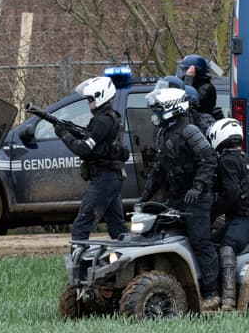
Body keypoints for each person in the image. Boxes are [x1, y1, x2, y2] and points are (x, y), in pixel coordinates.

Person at [139, 87, 220, 311]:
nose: (154, 115)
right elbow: (159, 169)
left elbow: (209, 159)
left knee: (200, 240)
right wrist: (145, 196)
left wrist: (198, 186)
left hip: (198, 198)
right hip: (177, 197)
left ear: (172, 109)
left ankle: (212, 292)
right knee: (162, 235)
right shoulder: (164, 133)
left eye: (158, 110)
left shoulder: (190, 130)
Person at [54, 76, 129, 241]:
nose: (88, 103)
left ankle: (78, 264)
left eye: (90, 99)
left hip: (104, 180)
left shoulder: (101, 121)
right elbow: (95, 143)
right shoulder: (110, 117)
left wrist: (64, 135)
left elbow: (83, 149)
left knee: (81, 225)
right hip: (111, 177)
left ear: (101, 96)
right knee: (118, 228)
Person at [206, 118, 249, 311]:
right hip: (247, 216)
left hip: (242, 218)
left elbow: (231, 193)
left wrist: (212, 212)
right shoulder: (246, 158)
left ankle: (229, 299)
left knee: (227, 246)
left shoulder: (227, 160)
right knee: (211, 243)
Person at [177, 54, 222, 119]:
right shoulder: (192, 84)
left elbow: (189, 102)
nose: (184, 73)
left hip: (202, 122)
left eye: (186, 70)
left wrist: (189, 78)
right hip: (190, 120)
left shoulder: (206, 87)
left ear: (196, 71)